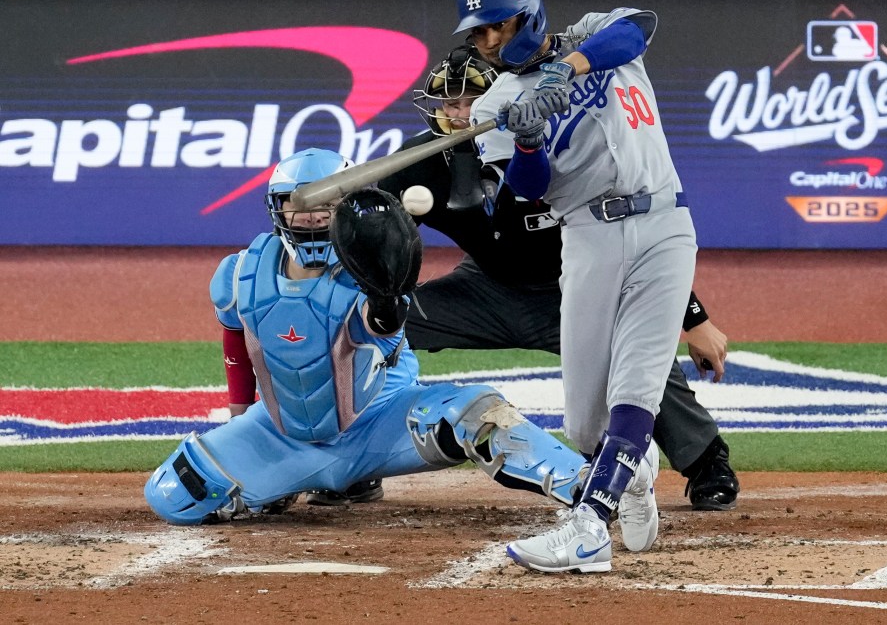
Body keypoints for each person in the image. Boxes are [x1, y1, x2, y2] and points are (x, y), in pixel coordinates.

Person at [377, 43, 739, 518]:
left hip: (570, 288)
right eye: (448, 102)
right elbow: (367, 228)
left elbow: (641, 238)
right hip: (482, 290)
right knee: (369, 330)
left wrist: (694, 318)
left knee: (639, 360)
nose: (457, 114)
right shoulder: (420, 161)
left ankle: (706, 461)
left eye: (468, 101)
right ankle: (351, 464)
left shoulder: (557, 148)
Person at [143, 148, 588, 526]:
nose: (311, 214)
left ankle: (591, 486)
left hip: (380, 422)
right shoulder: (240, 273)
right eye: (297, 202)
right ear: (277, 208)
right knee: (173, 495)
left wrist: (385, 295)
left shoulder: (375, 266)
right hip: (284, 433)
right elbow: (236, 344)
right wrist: (238, 415)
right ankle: (307, 478)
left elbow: (385, 331)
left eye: (326, 203)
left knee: (475, 412)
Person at [452, 0, 703, 573]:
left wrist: (567, 70)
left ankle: (589, 529)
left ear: (526, 14)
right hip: (587, 233)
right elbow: (529, 191)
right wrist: (531, 141)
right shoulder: (499, 103)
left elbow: (636, 31)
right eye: (478, 34)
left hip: (665, 224)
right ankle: (634, 468)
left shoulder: (594, 34)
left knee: (636, 383)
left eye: (493, 27)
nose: (484, 42)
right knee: (587, 425)